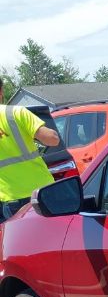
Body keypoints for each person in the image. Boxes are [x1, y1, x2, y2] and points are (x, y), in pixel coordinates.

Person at [0, 76, 60, 223]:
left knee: (20, 243)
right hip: (42, 191)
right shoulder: (15, 113)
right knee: (52, 238)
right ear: (1, 91)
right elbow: (53, 140)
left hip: (10, 198)